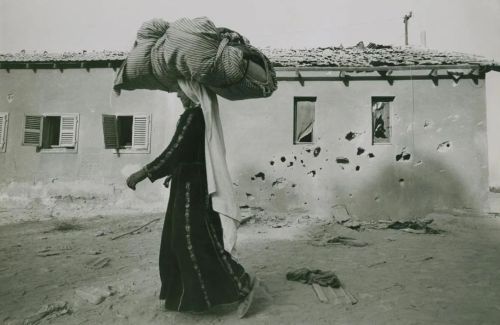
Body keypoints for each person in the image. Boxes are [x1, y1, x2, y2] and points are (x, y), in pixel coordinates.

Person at [126, 90, 257, 316]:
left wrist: (144, 172)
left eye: (181, 89)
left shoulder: (192, 116)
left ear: (191, 89)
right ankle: (235, 282)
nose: (178, 94)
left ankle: (239, 284)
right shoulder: (200, 115)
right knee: (200, 238)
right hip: (192, 183)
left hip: (190, 189)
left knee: (187, 240)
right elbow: (193, 154)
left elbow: (176, 151)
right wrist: (174, 172)